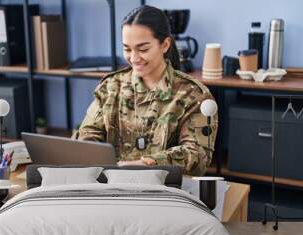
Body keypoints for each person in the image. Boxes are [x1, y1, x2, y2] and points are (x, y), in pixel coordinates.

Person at [75, 5, 218, 176]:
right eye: (127, 49)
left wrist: (147, 164)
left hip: (164, 189)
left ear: (164, 45)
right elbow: (87, 134)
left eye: (143, 49)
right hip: (110, 185)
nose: (134, 58)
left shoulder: (195, 95)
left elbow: (197, 157)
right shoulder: (111, 86)